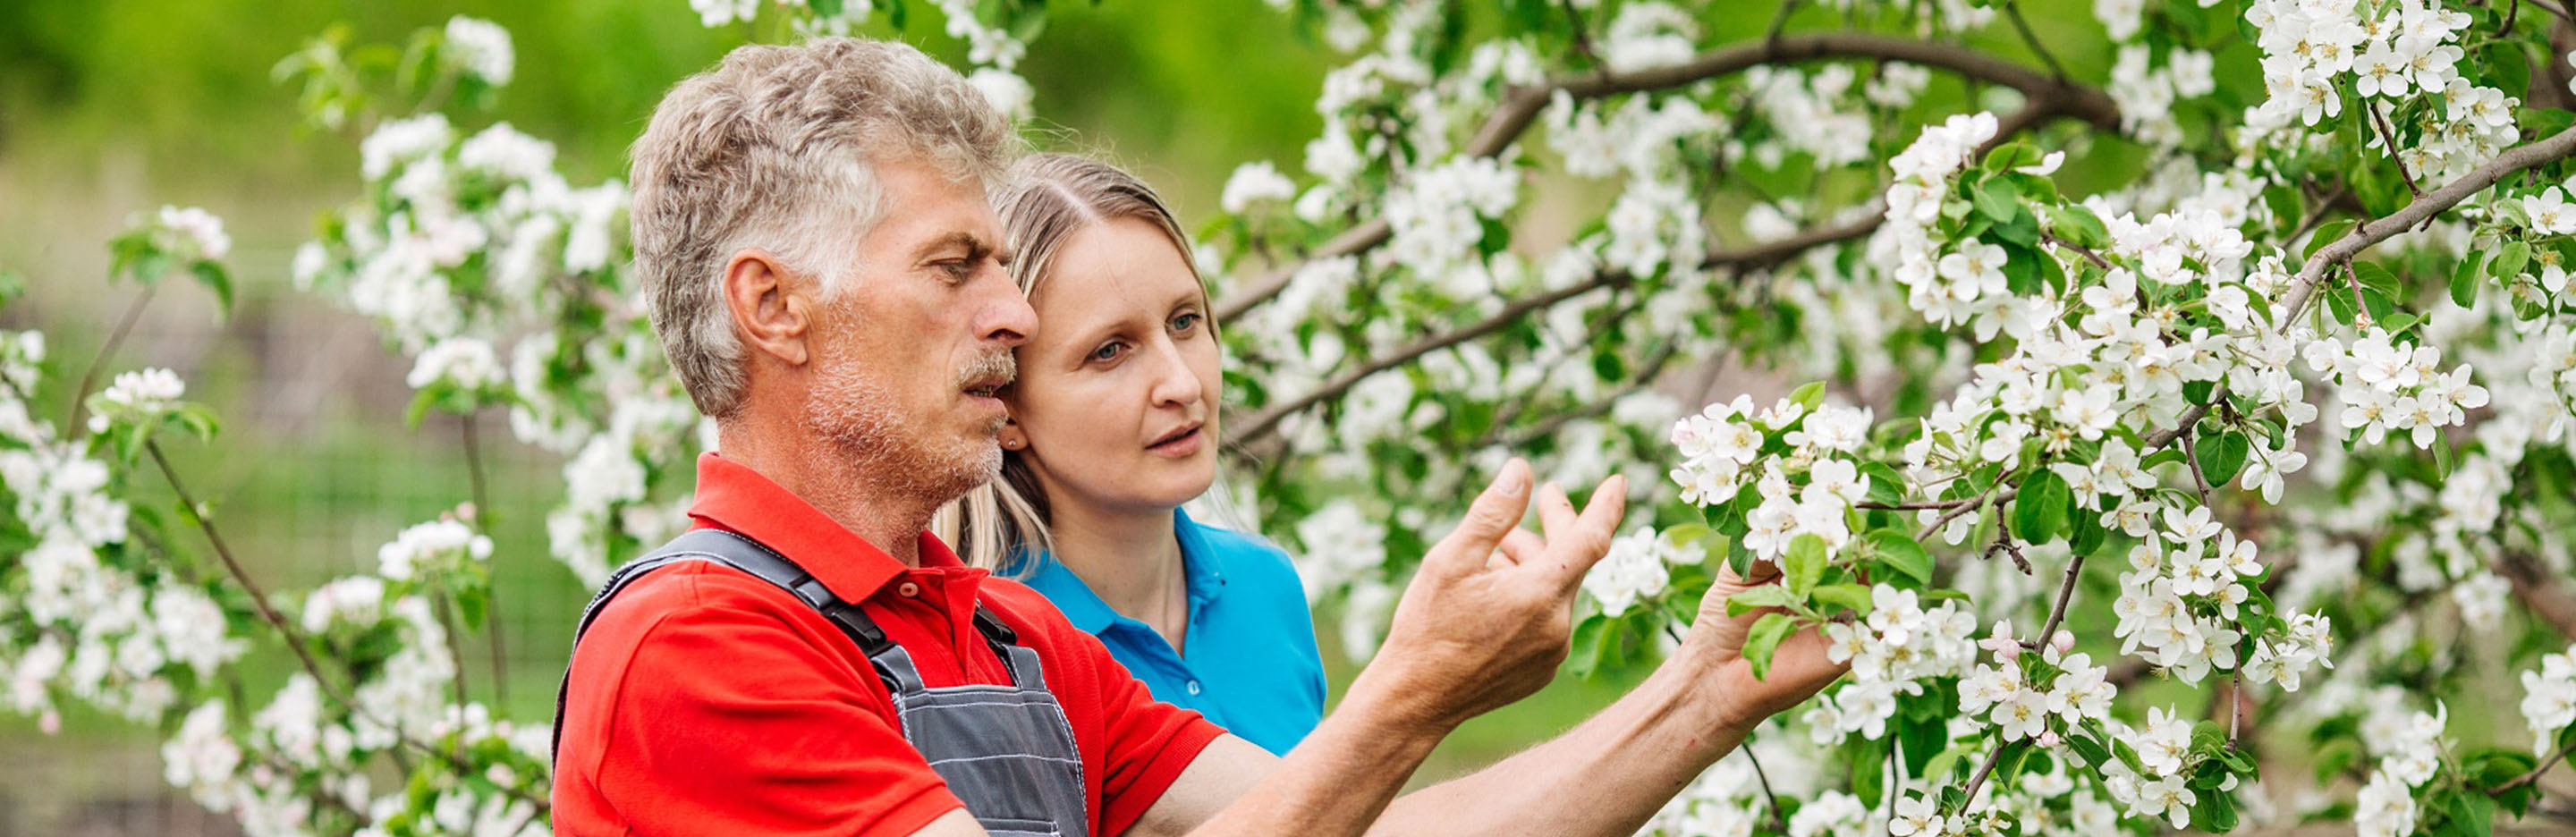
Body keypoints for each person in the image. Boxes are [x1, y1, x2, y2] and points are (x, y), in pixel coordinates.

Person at [551, 36, 1845, 837]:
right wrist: (1408, 698)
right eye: (955, 266)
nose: (1011, 314)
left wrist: (1705, 695)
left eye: (1004, 266)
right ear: (774, 307)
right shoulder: (695, 652)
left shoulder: (1003, 635)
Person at [932, 154, 1323, 757]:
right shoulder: (987, 655)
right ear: (1005, 409)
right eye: (1111, 351)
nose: (1183, 384)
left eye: (1185, 321)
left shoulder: (1264, 583)